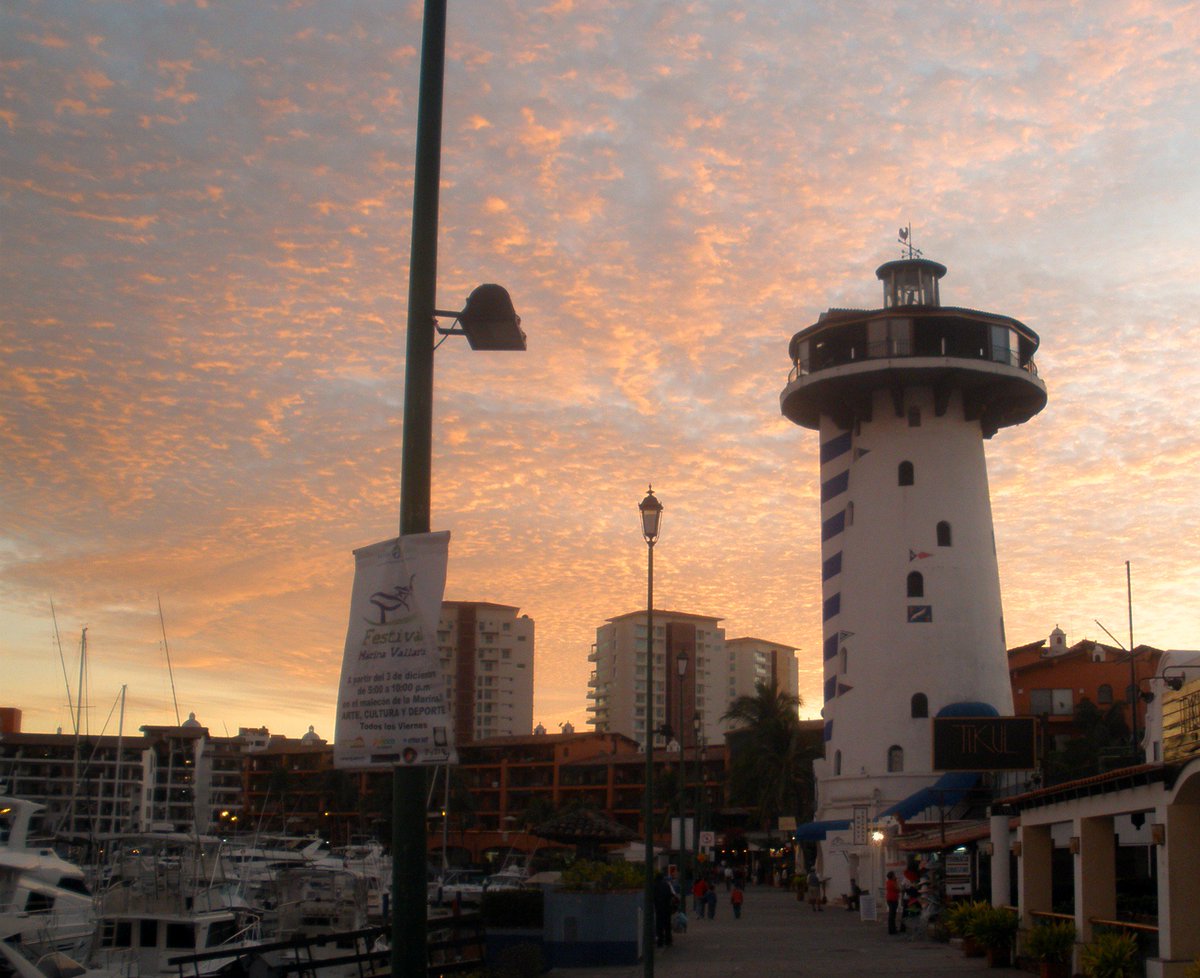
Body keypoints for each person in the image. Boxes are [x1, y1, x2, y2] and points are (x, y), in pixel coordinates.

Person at [653, 872, 675, 948]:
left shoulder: (654, 886)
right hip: (667, 907)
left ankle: (660, 941)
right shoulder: (666, 885)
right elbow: (671, 895)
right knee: (667, 925)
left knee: (659, 925)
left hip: (658, 908)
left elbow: (653, 897)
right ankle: (668, 940)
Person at [885, 870, 904, 934]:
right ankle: (892, 930)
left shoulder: (888, 882)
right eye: (894, 875)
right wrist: (896, 882)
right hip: (893, 899)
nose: (895, 876)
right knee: (892, 915)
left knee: (892, 915)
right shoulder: (892, 883)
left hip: (890, 899)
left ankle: (892, 928)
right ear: (892, 876)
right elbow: (898, 889)